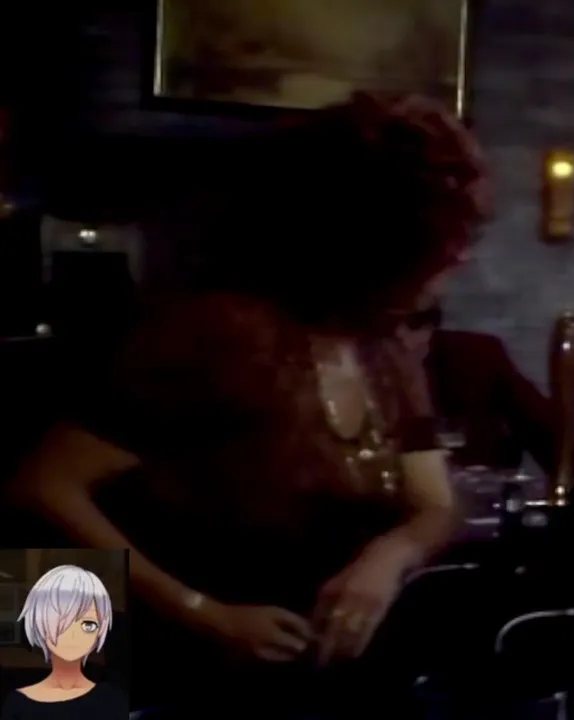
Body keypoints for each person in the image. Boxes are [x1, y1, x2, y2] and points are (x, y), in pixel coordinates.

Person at [7, 93, 489, 716]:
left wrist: (389, 556)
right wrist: (205, 613)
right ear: (368, 236)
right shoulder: (225, 335)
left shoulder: (383, 349)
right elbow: (41, 486)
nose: (460, 255)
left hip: (299, 679)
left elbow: (436, 506)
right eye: (444, 237)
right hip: (164, 668)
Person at [394, 303, 556, 473]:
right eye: (386, 327)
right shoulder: (374, 379)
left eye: (416, 322)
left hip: (479, 485)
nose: (402, 338)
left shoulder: (475, 355)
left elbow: (550, 440)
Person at [1, 565, 128, 720]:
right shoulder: (17, 703)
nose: (73, 634)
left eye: (88, 625)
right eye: (61, 622)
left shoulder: (113, 699)